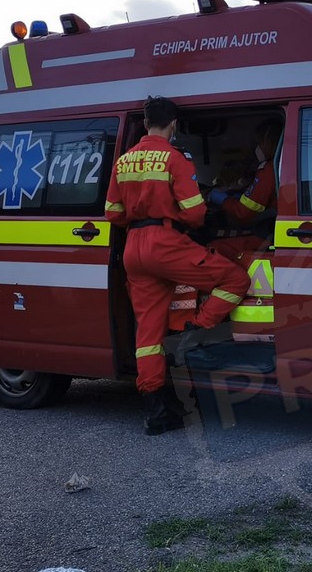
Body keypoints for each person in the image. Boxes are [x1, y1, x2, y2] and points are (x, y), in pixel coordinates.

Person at [105, 96, 250, 435]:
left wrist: (138, 219)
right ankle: (193, 332)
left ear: (144, 123)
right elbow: (195, 212)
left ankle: (156, 413)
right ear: (173, 125)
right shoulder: (173, 158)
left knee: (148, 336)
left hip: (133, 249)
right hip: (166, 243)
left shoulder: (124, 161)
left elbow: (113, 212)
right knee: (234, 280)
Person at [206, 117, 283, 262]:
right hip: (271, 230)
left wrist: (222, 200)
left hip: (268, 233)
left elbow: (244, 212)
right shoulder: (279, 165)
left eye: (259, 143)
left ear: (269, 143)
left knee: (213, 248)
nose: (257, 148)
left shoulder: (269, 170)